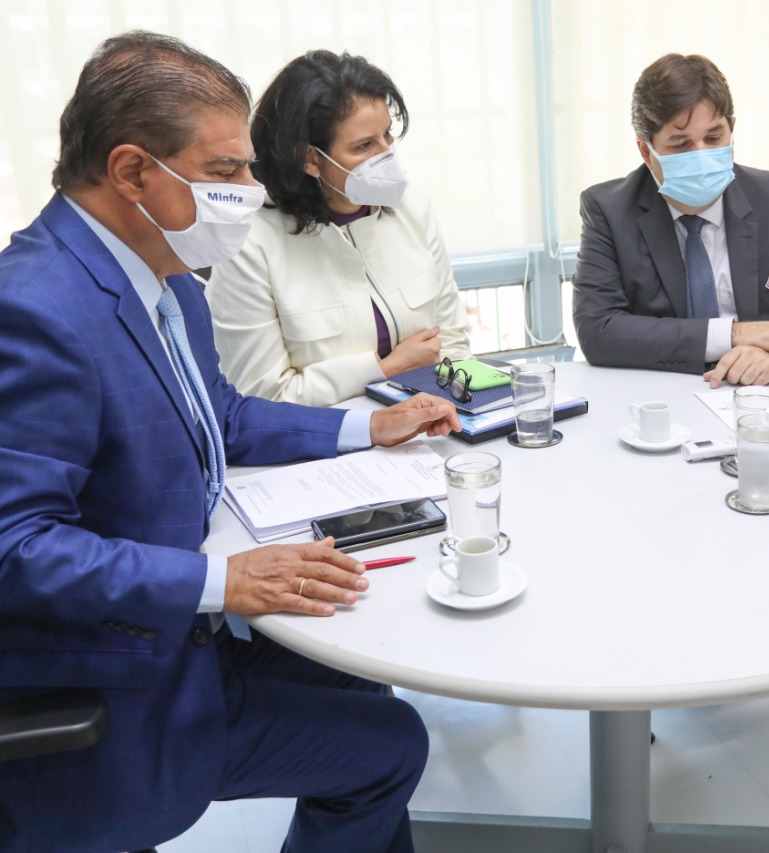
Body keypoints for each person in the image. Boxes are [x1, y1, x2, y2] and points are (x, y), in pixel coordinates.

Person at [0, 32, 462, 852]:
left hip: (193, 625)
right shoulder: (36, 309)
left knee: (360, 674)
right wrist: (224, 580)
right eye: (226, 171)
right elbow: (15, 547)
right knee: (391, 745)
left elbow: (225, 415)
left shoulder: (166, 279)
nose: (251, 192)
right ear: (133, 171)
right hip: (119, 675)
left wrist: (367, 423)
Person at [205, 49, 470, 406]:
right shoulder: (249, 243)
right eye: (364, 146)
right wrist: (384, 368)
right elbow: (262, 396)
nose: (386, 155)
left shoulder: (412, 207)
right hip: (329, 436)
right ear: (310, 159)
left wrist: (454, 412)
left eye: (387, 136)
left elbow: (452, 346)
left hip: (429, 424)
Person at [572, 53, 769, 386]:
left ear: (732, 130)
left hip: (766, 394)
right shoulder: (609, 211)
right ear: (647, 152)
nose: (702, 155)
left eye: (714, 138)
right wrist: (732, 334)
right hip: (661, 395)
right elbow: (598, 330)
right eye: (681, 144)